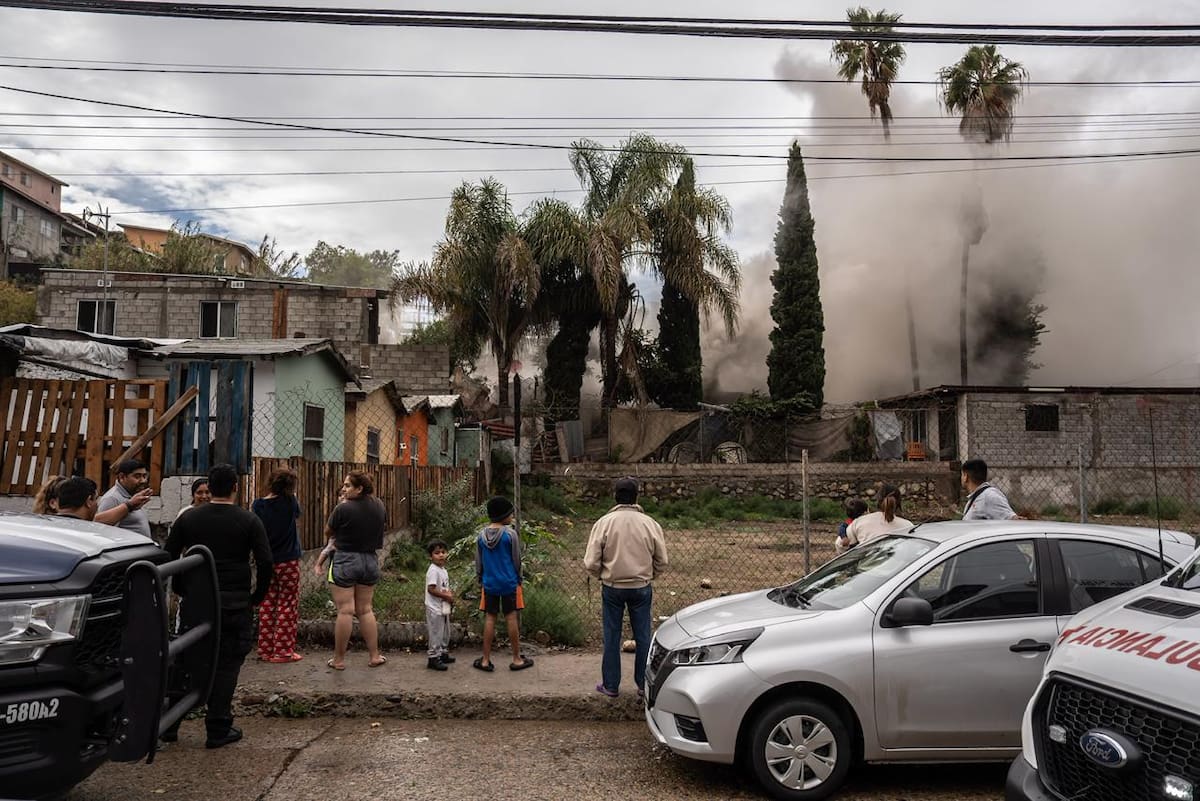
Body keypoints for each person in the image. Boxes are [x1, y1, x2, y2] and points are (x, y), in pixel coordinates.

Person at [165, 463, 272, 749]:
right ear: (236, 487)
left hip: (197, 603)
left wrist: (180, 587)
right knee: (227, 665)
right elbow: (265, 561)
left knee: (187, 663)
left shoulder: (189, 520)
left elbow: (169, 555)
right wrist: (256, 597)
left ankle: (169, 723)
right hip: (234, 603)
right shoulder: (249, 521)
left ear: (209, 489)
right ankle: (217, 727)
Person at [583, 477, 668, 699]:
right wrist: (650, 576)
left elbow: (591, 561)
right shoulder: (649, 523)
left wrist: (601, 575)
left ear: (615, 497)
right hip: (641, 586)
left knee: (611, 635)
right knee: (643, 636)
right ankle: (643, 685)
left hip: (612, 587)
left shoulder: (604, 523)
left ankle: (611, 685)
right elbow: (662, 560)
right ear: (637, 496)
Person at [313, 471, 387, 671]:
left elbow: (328, 531)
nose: (343, 489)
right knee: (365, 609)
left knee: (346, 610)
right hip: (370, 560)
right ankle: (374, 656)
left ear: (359, 488)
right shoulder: (379, 505)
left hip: (346, 559)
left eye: (347, 486)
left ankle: (338, 660)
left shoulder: (343, 508)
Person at [472, 496, 532, 673]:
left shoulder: (481, 536)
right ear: (502, 515)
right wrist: (519, 578)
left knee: (490, 618)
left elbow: (478, 562)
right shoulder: (510, 535)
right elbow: (516, 560)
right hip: (508, 583)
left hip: (489, 583)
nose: (512, 515)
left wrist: (480, 578)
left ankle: (485, 660)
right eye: (510, 513)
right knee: (511, 617)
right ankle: (516, 659)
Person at [252, 468, 304, 663]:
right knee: (287, 604)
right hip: (288, 560)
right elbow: (297, 516)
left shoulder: (258, 505)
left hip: (266, 560)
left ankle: (265, 649)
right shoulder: (290, 503)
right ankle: (282, 651)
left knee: (267, 603)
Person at [96, 459, 155, 538]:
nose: (143, 481)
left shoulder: (132, 495)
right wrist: (129, 505)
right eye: (137, 476)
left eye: (144, 476)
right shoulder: (112, 498)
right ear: (122, 477)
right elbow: (102, 528)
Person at [843, 485, 913, 549]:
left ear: (878, 499)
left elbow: (841, 546)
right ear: (899, 502)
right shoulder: (909, 526)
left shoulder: (858, 523)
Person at [424, 539, 454, 671]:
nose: (441, 555)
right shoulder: (433, 570)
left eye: (443, 552)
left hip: (442, 606)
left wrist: (448, 595)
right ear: (431, 556)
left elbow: (443, 586)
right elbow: (431, 589)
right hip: (434, 608)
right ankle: (433, 657)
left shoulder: (443, 570)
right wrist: (446, 596)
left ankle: (442, 653)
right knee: (436, 632)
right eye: (437, 553)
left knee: (445, 631)